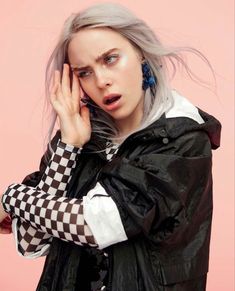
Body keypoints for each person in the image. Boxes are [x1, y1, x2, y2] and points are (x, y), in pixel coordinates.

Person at [0, 3, 221, 291]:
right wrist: (68, 146)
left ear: (140, 52)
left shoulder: (182, 139)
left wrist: (10, 196)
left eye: (111, 59)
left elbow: (95, 224)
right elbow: (32, 239)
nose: (101, 80)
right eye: (84, 73)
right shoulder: (80, 136)